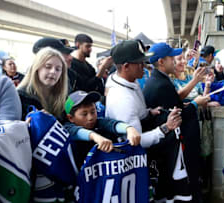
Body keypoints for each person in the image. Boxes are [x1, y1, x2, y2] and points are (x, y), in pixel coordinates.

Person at [144, 42, 210, 202]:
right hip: (170, 148)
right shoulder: (160, 84)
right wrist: (195, 103)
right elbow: (177, 115)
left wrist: (194, 83)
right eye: (172, 58)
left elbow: (175, 102)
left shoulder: (159, 80)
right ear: (161, 62)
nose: (175, 61)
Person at [105, 40, 182, 149]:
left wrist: (149, 113)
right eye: (140, 62)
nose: (144, 66)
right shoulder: (122, 99)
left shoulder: (129, 80)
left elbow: (137, 112)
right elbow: (137, 142)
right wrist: (166, 127)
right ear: (126, 67)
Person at [64, 90, 140, 168]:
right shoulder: (66, 128)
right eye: (84, 114)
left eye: (93, 112)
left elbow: (112, 124)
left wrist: (129, 129)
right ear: (70, 118)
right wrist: (95, 137)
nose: (90, 118)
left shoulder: (99, 122)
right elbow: (76, 132)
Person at [18, 47, 68, 121]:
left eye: (58, 69)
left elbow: (67, 124)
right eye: (48, 67)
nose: (53, 71)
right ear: (36, 68)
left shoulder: (65, 98)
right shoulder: (20, 96)